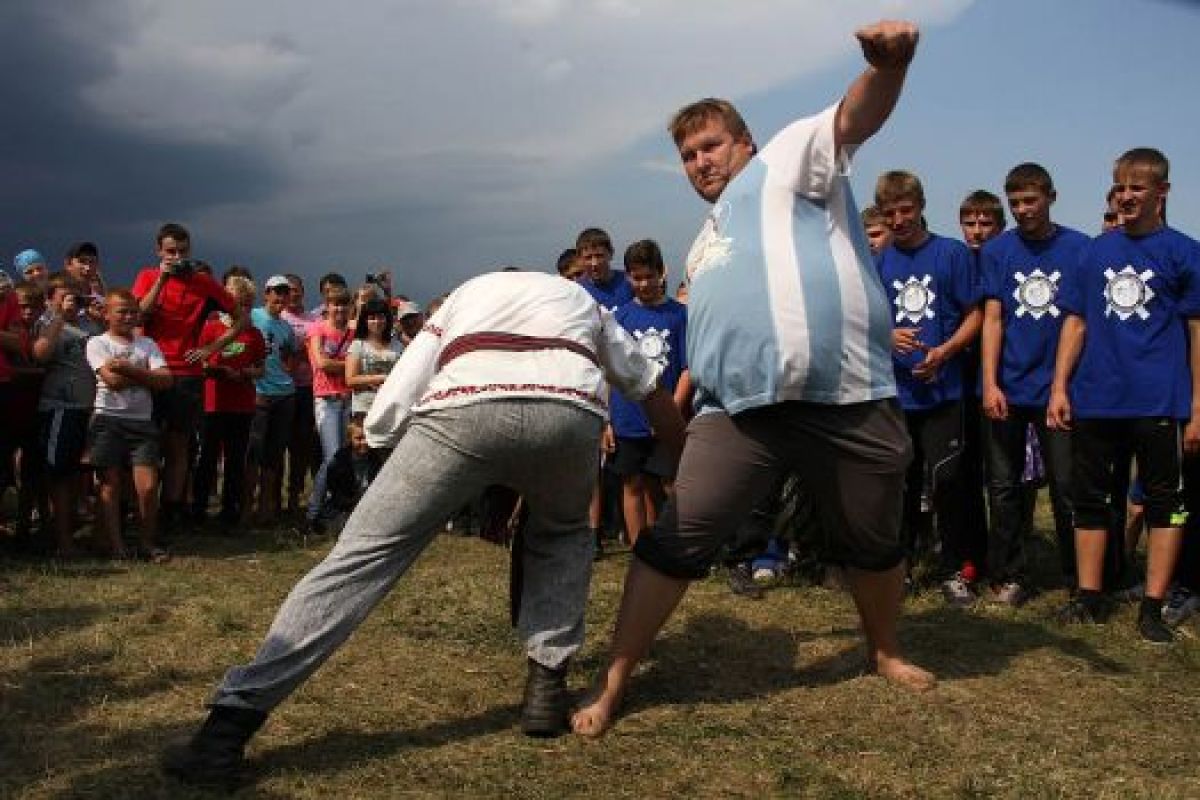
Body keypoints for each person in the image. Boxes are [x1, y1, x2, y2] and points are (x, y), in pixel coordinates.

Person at [162, 270, 686, 789]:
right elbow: (644, 382)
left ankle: (226, 731)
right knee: (563, 535)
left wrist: (380, 433)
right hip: (568, 411)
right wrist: (686, 462)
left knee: (361, 558)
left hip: (464, 409)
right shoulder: (577, 298)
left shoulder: (468, 291)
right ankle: (546, 686)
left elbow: (412, 370)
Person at [572, 20, 931, 740]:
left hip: (847, 397)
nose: (700, 161)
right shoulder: (705, 239)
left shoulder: (792, 161)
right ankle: (613, 685)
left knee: (873, 539)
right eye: (686, 155)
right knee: (673, 540)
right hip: (736, 415)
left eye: (710, 145)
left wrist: (888, 67)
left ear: (744, 143)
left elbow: (856, 113)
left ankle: (885, 649)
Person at [1049, 147, 1200, 643]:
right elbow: (1075, 321)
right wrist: (1059, 388)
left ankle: (1153, 606)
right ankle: (1090, 598)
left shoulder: (1184, 252)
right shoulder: (1093, 252)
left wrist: (1197, 403)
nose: (1127, 196)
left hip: (1159, 401)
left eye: (1138, 187)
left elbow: (1196, 331)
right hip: (1096, 398)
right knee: (1088, 501)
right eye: (1120, 187)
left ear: (1163, 192)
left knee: (1165, 505)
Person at [979, 164, 1089, 604]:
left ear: (1051, 197)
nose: (1023, 210)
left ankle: (1077, 575)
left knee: (1066, 488)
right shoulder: (997, 251)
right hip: (1007, 387)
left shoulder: (1079, 248)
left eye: (1030, 200)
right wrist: (989, 383)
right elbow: (992, 318)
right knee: (1004, 489)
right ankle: (1009, 574)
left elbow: (1080, 321)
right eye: (1016, 203)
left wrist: (1061, 385)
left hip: (1059, 391)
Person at [876, 170, 983, 605]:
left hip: (945, 391)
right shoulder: (878, 259)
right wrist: (885, 336)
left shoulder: (951, 254)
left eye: (905, 210)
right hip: (896, 393)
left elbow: (976, 315)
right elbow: (861, 317)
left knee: (949, 481)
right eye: (890, 213)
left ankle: (958, 567)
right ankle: (897, 566)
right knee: (898, 481)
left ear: (920, 207)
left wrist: (946, 350)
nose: (899, 220)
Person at [131, 223, 246, 529]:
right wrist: (163, 278)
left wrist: (211, 348)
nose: (177, 256)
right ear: (159, 251)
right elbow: (138, 314)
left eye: (182, 251)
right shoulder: (147, 276)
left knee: (178, 443)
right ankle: (143, 510)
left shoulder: (203, 282)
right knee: (147, 442)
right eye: (171, 251)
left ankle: (172, 510)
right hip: (152, 369)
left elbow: (240, 317)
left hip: (187, 372)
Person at [606, 239, 690, 547]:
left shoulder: (679, 315)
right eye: (636, 277)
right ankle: (639, 546)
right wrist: (607, 420)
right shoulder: (619, 318)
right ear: (628, 276)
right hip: (628, 417)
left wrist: (673, 410)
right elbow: (608, 373)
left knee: (669, 482)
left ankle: (675, 543)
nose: (643, 284)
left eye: (649, 276)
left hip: (667, 415)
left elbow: (686, 368)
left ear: (662, 273)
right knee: (632, 483)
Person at [85, 289, 173, 561]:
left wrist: (127, 369)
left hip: (141, 422)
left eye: (133, 311)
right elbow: (111, 382)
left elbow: (167, 380)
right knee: (110, 484)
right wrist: (146, 376)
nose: (128, 316)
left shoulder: (147, 344)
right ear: (106, 314)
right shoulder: (97, 343)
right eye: (121, 311)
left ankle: (146, 542)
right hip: (107, 419)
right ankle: (116, 545)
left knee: (147, 487)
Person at [192, 276, 266, 527]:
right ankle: (198, 510)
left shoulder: (254, 334)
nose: (242, 310)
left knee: (236, 460)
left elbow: (260, 369)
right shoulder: (211, 328)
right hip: (213, 402)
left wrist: (243, 374)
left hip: (242, 404)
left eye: (247, 305)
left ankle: (230, 512)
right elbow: (198, 361)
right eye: (237, 304)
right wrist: (217, 371)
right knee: (207, 458)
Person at [31, 274, 97, 556]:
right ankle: (62, 541)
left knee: (73, 474)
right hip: (60, 408)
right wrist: (59, 316)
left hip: (85, 409)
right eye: (65, 296)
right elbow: (40, 354)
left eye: (75, 296)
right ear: (50, 299)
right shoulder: (46, 322)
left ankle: (70, 534)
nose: (72, 300)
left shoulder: (85, 326)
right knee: (58, 474)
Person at [305, 285, 354, 534]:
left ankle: (335, 509)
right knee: (332, 457)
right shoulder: (317, 329)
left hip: (348, 400)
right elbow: (321, 363)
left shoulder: (354, 332)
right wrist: (350, 366)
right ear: (327, 305)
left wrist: (343, 366)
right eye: (335, 304)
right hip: (327, 398)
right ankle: (314, 512)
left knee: (344, 457)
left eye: (344, 304)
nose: (340, 309)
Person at [281, 274, 318, 517]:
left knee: (301, 447)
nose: (293, 294)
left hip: (307, 388)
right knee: (275, 448)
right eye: (288, 290)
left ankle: (295, 497)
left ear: (303, 292)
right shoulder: (277, 319)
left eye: (297, 290)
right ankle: (272, 500)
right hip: (281, 389)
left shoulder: (313, 321)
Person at [345, 298, 403, 419]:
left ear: (387, 319)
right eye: (372, 318)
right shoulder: (358, 345)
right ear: (365, 321)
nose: (377, 321)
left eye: (381, 317)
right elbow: (350, 379)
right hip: (364, 408)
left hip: (391, 407)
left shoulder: (398, 345)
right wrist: (380, 378)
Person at [577, 228, 634, 312]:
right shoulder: (578, 290)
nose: (594, 263)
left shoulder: (630, 281)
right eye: (588, 258)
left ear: (611, 254)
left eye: (599, 256)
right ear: (580, 259)